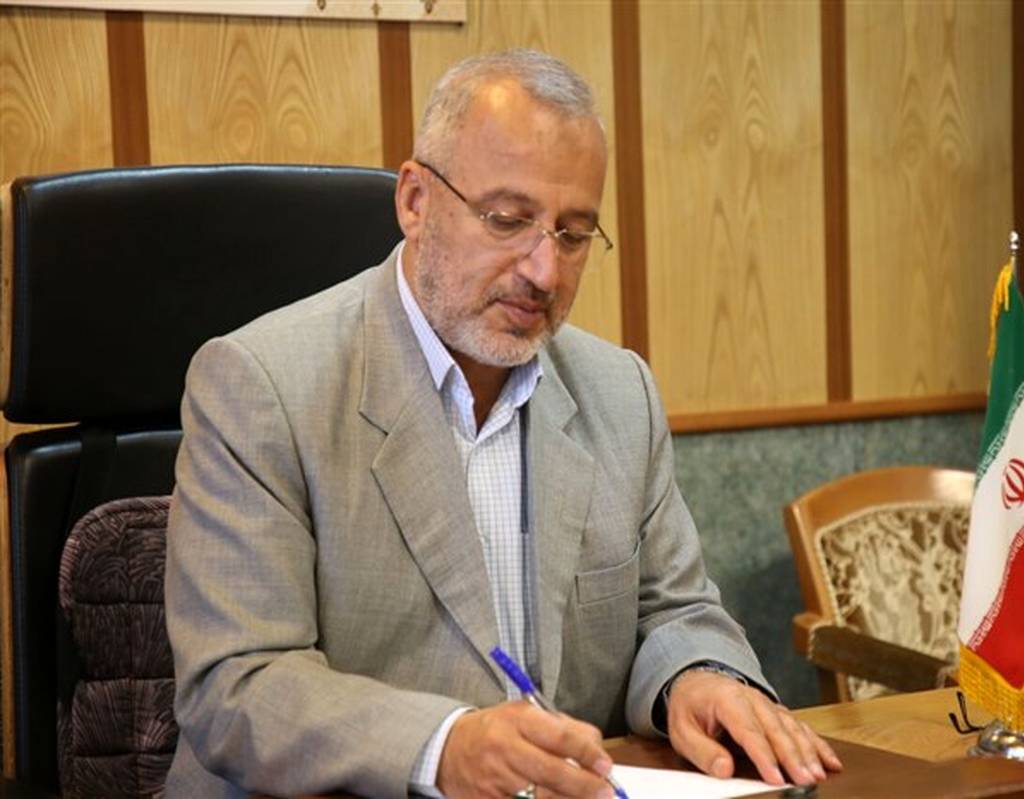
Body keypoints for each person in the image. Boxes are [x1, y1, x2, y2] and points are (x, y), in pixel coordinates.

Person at [164, 49, 841, 799]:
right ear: (415, 201)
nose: (544, 272)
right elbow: (238, 682)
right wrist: (442, 748)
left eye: (574, 234)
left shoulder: (620, 392)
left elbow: (673, 608)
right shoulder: (263, 384)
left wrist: (699, 676)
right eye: (508, 220)